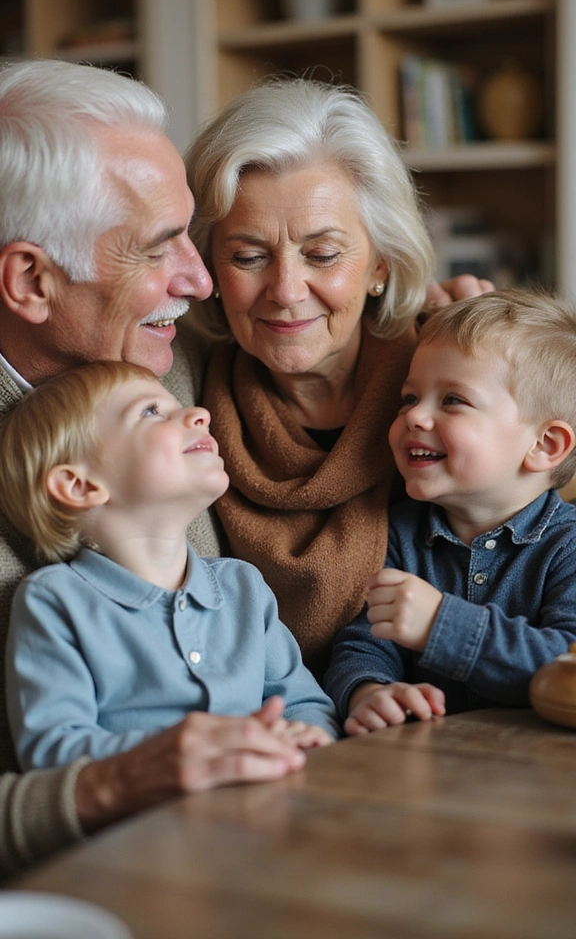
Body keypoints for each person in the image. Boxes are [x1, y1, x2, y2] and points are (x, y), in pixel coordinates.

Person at [0, 59, 314, 876]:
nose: (201, 280)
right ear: (31, 278)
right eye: (157, 247)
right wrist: (111, 784)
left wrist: (454, 333)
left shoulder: (166, 359)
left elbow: (321, 356)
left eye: (192, 233)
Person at [185, 77, 494, 679]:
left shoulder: (459, 378)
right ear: (210, 270)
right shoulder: (182, 401)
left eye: (322, 254)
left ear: (380, 263)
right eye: (248, 257)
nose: (287, 291)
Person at [1, 361, 337, 771]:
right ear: (80, 485)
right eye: (150, 412)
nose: (199, 414)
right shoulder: (54, 602)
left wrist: (307, 737)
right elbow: (52, 750)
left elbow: (306, 704)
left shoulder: (242, 586)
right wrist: (189, 750)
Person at [324, 289, 576, 734]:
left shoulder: (568, 546)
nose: (415, 417)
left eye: (453, 400)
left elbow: (566, 665)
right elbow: (363, 641)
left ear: (544, 445)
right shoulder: (397, 533)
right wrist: (368, 690)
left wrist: (441, 625)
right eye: (409, 397)